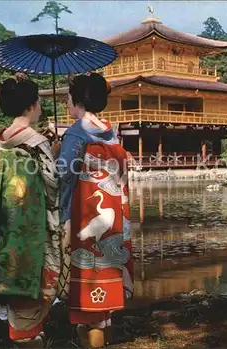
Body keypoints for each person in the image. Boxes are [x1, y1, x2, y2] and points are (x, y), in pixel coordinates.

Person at [0, 73, 65, 347]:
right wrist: (56, 154)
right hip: (34, 230)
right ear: (32, 105)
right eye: (38, 101)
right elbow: (53, 188)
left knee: (14, 286)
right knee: (36, 290)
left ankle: (23, 333)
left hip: (6, 231)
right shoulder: (36, 142)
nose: (40, 106)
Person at [57, 73, 134, 348]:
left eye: (67, 98)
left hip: (83, 225)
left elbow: (63, 176)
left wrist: (57, 150)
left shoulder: (76, 133)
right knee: (104, 311)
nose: (66, 103)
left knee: (89, 312)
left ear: (76, 100)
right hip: (112, 224)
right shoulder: (112, 133)